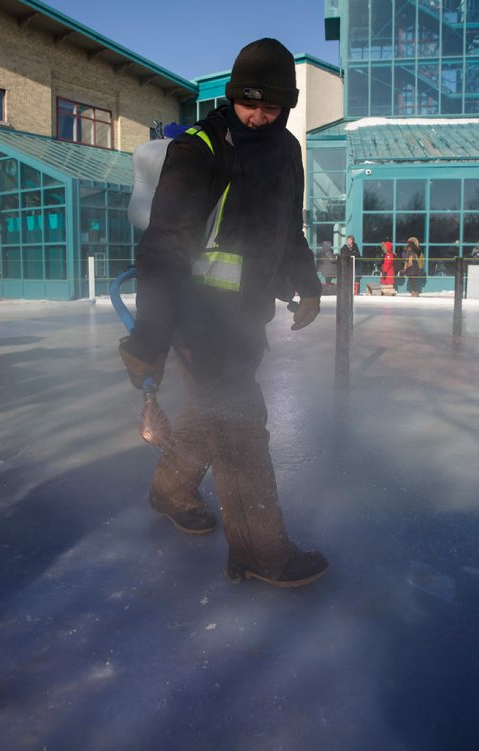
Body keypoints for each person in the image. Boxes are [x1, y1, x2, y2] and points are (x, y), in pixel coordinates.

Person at [119, 38, 328, 588]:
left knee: (204, 418)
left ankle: (169, 492)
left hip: (243, 316)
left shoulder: (285, 149)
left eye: (272, 106)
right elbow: (164, 247)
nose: (259, 116)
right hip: (193, 317)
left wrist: (306, 284)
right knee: (239, 428)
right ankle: (262, 551)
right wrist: (149, 337)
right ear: (233, 96)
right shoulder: (201, 149)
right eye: (249, 103)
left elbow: (288, 226)